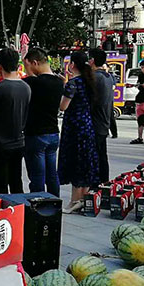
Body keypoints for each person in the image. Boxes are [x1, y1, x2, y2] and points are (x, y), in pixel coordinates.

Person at [0, 48, 31, 198]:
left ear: (0, 67)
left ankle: (3, 209)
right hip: (18, 141)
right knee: (16, 181)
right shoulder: (26, 87)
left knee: (0, 184)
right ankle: (18, 208)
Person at [58, 52, 99, 214]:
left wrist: (64, 87)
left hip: (74, 127)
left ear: (72, 64)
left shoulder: (73, 84)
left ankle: (74, 200)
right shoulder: (89, 81)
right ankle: (83, 198)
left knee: (76, 161)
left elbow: (63, 106)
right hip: (87, 125)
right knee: (86, 161)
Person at [20, 48, 64, 197]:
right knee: (52, 175)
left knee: (37, 176)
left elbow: (28, 80)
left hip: (36, 134)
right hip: (53, 133)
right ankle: (55, 202)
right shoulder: (59, 82)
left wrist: (27, 68)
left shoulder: (32, 82)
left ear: (34, 63)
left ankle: (38, 204)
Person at [89, 48, 115, 186]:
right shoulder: (108, 77)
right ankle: (104, 184)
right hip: (104, 121)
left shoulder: (94, 77)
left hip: (95, 122)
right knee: (102, 156)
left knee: (95, 157)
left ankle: (96, 186)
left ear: (92, 60)